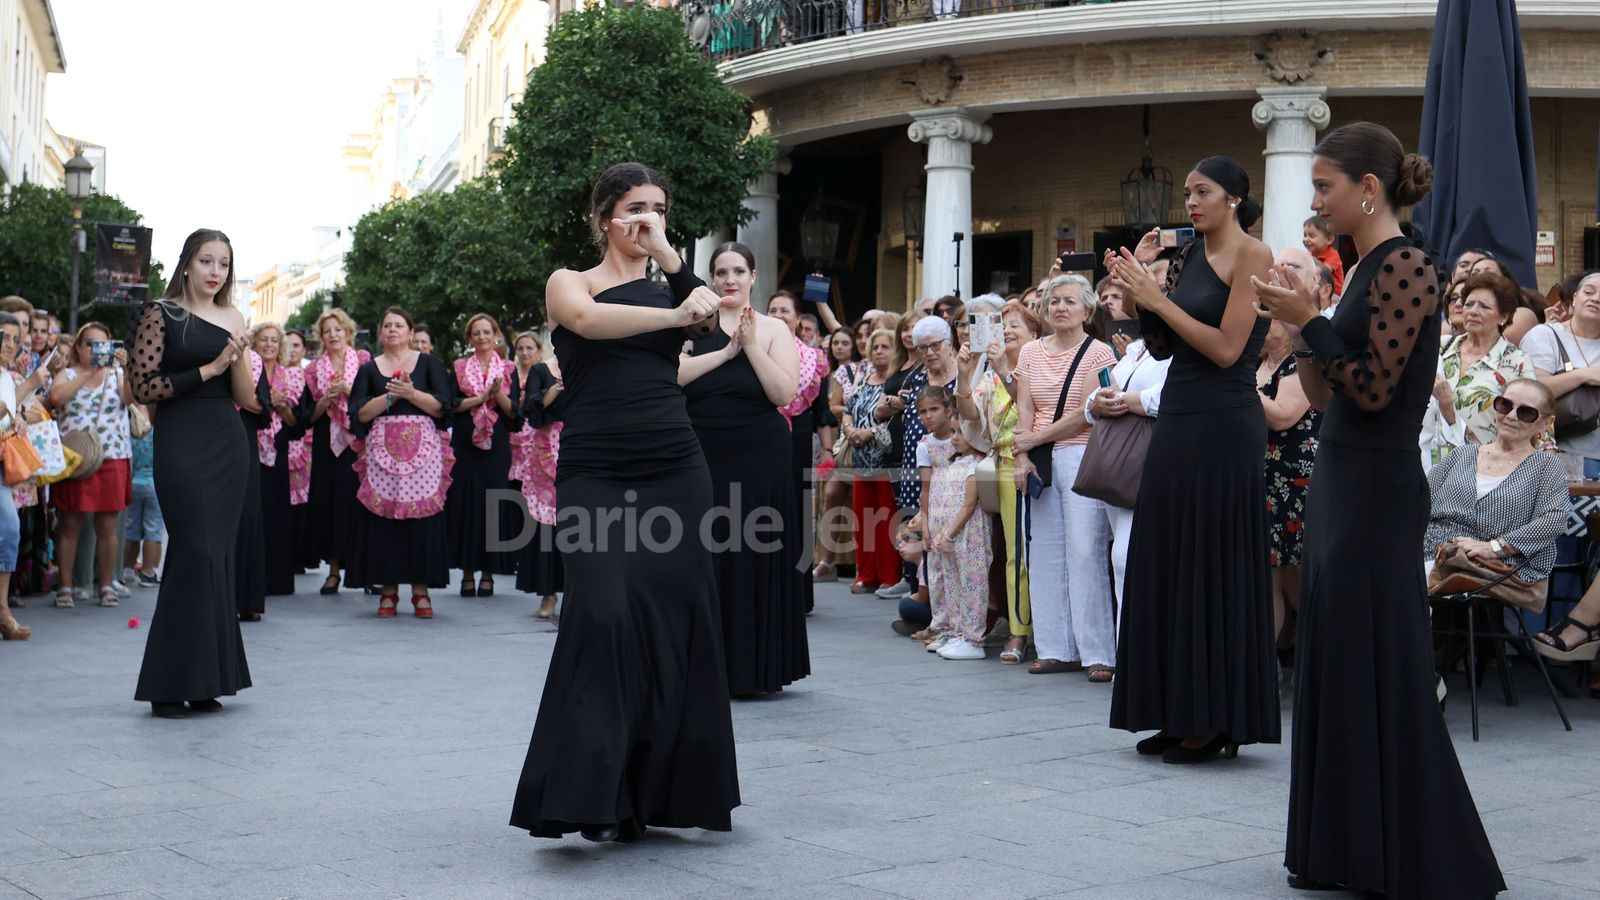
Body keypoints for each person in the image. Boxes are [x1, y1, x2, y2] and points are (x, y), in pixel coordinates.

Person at [1254, 121, 1505, 896]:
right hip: (1342, 478)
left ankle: (1407, 852)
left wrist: (1310, 320)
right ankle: (1345, 848)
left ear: (1369, 189)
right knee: (1338, 662)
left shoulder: (1407, 265)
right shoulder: (1366, 266)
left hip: (1377, 490)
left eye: (1324, 186)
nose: (1316, 202)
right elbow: (1327, 395)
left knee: (1376, 665)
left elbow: (1371, 388)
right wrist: (1302, 326)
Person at [510, 162, 738, 844]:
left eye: (659, 209)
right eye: (636, 207)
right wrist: (672, 313)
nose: (648, 218)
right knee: (603, 614)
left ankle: (653, 795)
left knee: (674, 620)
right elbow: (588, 321)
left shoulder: (673, 281)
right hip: (597, 470)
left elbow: (713, 330)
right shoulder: (570, 283)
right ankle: (590, 791)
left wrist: (672, 259)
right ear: (604, 216)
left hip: (675, 466)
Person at [1108, 155, 1279, 762]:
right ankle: (1175, 710)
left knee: (1211, 561)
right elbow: (1163, 346)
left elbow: (1229, 349)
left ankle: (1215, 719)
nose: (1191, 202)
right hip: (1179, 413)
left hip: (1224, 420)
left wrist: (1158, 298)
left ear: (1233, 197)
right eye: (1187, 193)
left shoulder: (1254, 254)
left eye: (1202, 191)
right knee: (1168, 557)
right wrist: (1140, 294)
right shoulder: (1186, 256)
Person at [131, 227, 256, 719]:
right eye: (207, 260)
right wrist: (210, 367)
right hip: (181, 439)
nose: (215, 271)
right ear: (186, 264)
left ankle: (207, 680)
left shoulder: (234, 317)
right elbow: (143, 386)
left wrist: (239, 360)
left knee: (216, 557)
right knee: (194, 550)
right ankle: (168, 684)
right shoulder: (161, 313)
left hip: (227, 441)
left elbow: (244, 397)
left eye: (223, 263)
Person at [682, 241, 807, 696]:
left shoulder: (774, 329)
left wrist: (750, 346)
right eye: (721, 272)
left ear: (753, 276)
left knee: (756, 549)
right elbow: (674, 376)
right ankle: (704, 669)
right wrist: (724, 352)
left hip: (761, 454)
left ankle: (755, 668)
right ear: (711, 278)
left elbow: (783, 393)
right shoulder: (692, 324)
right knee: (704, 551)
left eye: (738, 271)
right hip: (701, 451)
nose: (729, 280)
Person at [1012, 275, 1118, 680]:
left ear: (1087, 310)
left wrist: (1034, 439)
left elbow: (1087, 412)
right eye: (1054, 301)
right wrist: (1023, 455)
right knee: (1044, 553)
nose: (1060, 307)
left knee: (1085, 550)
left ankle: (1098, 653)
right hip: (1040, 457)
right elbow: (1024, 408)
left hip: (1081, 454)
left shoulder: (1099, 352)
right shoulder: (1029, 352)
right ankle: (1055, 648)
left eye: (1070, 301)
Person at [344, 308, 454, 618]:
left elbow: (443, 408)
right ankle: (388, 590)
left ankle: (421, 590)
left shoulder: (429, 364)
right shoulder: (369, 369)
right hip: (382, 455)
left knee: (422, 519)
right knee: (384, 519)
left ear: (410, 332)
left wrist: (411, 393)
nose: (393, 329)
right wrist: (390, 397)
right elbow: (359, 414)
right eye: (387, 325)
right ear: (380, 333)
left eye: (399, 325)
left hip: (423, 454)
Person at [956, 300, 1042, 663]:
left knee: (1045, 555)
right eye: (1001, 326)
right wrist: (965, 374)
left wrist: (1005, 367)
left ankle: (1049, 632)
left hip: (1041, 461)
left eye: (1015, 326)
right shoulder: (991, 375)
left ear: (1034, 333)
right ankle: (1020, 632)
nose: (1006, 332)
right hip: (1006, 466)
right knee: (1015, 554)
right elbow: (970, 413)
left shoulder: (1038, 366)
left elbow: (1031, 402)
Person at [1425, 379, 1565, 583]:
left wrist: (1495, 547)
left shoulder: (1545, 466)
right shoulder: (1462, 454)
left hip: (1490, 569)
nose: (1511, 416)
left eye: (1526, 412)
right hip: (1429, 556)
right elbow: (1419, 501)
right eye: (1505, 405)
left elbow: (1555, 520)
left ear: (1545, 423)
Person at [1083, 309, 1171, 620]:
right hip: (1118, 461)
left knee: (1127, 556)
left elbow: (1167, 398)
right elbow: (1094, 400)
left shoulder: (1180, 347)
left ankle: (1139, 645)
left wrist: (1120, 400)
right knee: (1121, 559)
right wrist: (1099, 402)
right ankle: (1127, 645)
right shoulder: (1135, 349)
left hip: (1153, 457)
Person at [47, 322, 135, 609]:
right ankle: (65, 587)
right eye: (91, 344)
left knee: (108, 525)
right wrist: (88, 371)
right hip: (76, 457)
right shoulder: (68, 374)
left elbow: (131, 399)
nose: (97, 350)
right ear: (79, 347)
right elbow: (56, 398)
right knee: (70, 524)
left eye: (103, 344)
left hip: (113, 455)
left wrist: (127, 368)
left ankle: (106, 584)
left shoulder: (118, 374)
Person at [881, 317, 960, 602]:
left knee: (943, 529)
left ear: (949, 344)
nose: (929, 352)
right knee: (915, 524)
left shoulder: (960, 376)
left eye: (935, 345)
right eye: (922, 347)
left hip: (949, 467)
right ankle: (919, 589)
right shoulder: (917, 377)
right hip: (915, 463)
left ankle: (942, 599)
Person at [1256, 319, 1320, 651]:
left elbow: (1284, 415)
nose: (1263, 324)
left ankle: (1318, 656)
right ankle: (1265, 666)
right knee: (1272, 578)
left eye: (1271, 318)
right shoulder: (1254, 364)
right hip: (1260, 479)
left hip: (1294, 481)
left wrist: (1238, 385)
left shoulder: (1300, 363)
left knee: (1294, 575)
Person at [446, 313, 519, 598]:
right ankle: (467, 572)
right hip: (465, 444)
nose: (481, 337)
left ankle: (488, 573)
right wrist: (479, 399)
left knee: (493, 504)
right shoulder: (459, 367)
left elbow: (515, 413)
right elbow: (450, 405)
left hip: (497, 445)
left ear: (495, 334)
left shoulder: (508, 368)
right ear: (469, 338)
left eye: (486, 332)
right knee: (465, 502)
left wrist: (496, 394)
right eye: (476, 333)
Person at [920, 395, 992, 660]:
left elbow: (969, 505)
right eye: (953, 432)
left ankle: (974, 638)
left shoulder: (977, 465)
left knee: (973, 584)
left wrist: (949, 531)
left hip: (969, 535)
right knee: (954, 583)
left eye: (961, 432)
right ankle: (958, 631)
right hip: (952, 536)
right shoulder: (957, 463)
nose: (954, 438)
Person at [305, 309, 370, 595]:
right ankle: (332, 572)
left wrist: (347, 389)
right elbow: (309, 415)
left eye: (337, 329)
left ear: (348, 333)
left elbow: (370, 401)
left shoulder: (364, 361)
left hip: (358, 441)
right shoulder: (313, 370)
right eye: (327, 331)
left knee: (360, 504)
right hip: (326, 443)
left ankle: (365, 571)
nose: (333, 335)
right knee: (330, 503)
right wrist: (325, 400)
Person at [1439, 271, 1533, 445]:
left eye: (1484, 307)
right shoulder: (1441, 347)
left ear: (1504, 316)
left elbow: (1533, 422)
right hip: (1432, 457)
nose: (1473, 311)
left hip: (1486, 458)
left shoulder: (1517, 361)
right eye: (1469, 304)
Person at [252, 323, 312, 597]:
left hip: (279, 449)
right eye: (263, 340)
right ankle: (252, 578)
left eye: (274, 340)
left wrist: (281, 406)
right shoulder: (247, 373)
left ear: (280, 346)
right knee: (253, 512)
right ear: (254, 344)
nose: (268, 345)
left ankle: (277, 580)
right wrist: (264, 403)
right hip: (250, 446)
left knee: (277, 513)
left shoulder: (292, 377)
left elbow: (298, 424)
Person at [509, 331, 564, 619]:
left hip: (583, 447)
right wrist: (554, 390)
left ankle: (580, 594)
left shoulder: (589, 366)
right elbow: (530, 410)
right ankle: (548, 593)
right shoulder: (542, 371)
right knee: (546, 527)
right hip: (545, 453)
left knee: (582, 521)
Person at [843, 328, 901, 597]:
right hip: (860, 459)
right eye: (875, 347)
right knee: (864, 521)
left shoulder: (894, 382)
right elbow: (848, 409)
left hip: (883, 459)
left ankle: (888, 577)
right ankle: (866, 576)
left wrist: (868, 432)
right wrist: (849, 429)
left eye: (884, 347)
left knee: (886, 520)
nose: (878, 351)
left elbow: (895, 418)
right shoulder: (864, 379)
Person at [1522, 271, 1600, 458]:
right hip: (1563, 455)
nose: (1596, 299)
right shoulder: (1545, 335)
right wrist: (1584, 375)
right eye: (1589, 292)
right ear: (1574, 298)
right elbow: (1529, 391)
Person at [814, 326, 862, 583]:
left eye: (846, 342)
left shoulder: (876, 367)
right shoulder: (842, 371)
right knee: (832, 495)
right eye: (836, 343)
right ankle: (827, 562)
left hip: (872, 441)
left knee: (865, 504)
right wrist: (856, 410)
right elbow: (832, 408)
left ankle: (863, 567)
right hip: (845, 440)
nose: (840, 347)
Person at [0, 314, 33, 640]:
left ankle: (3, 609)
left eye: (14, 339)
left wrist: (19, 419)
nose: (8, 344)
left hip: (3, 466)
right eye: (3, 336)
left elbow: (12, 412)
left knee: (9, 530)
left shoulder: (7, 378)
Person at [233, 348, 271, 621]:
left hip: (243, 442)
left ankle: (247, 600)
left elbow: (263, 408)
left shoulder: (252, 360)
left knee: (247, 517)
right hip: (207, 439)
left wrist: (239, 395)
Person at [121, 405, 163, 588]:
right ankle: (148, 571)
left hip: (134, 483)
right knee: (153, 530)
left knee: (132, 529)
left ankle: (127, 568)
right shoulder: (160, 431)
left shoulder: (134, 432)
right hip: (154, 485)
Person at [1301, 215, 1345, 295]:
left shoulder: (1333, 255)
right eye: (1305, 235)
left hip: (1335, 295)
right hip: (1321, 292)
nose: (1306, 239)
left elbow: (1323, 272)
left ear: (1329, 239)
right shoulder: (1309, 255)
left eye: (1311, 236)